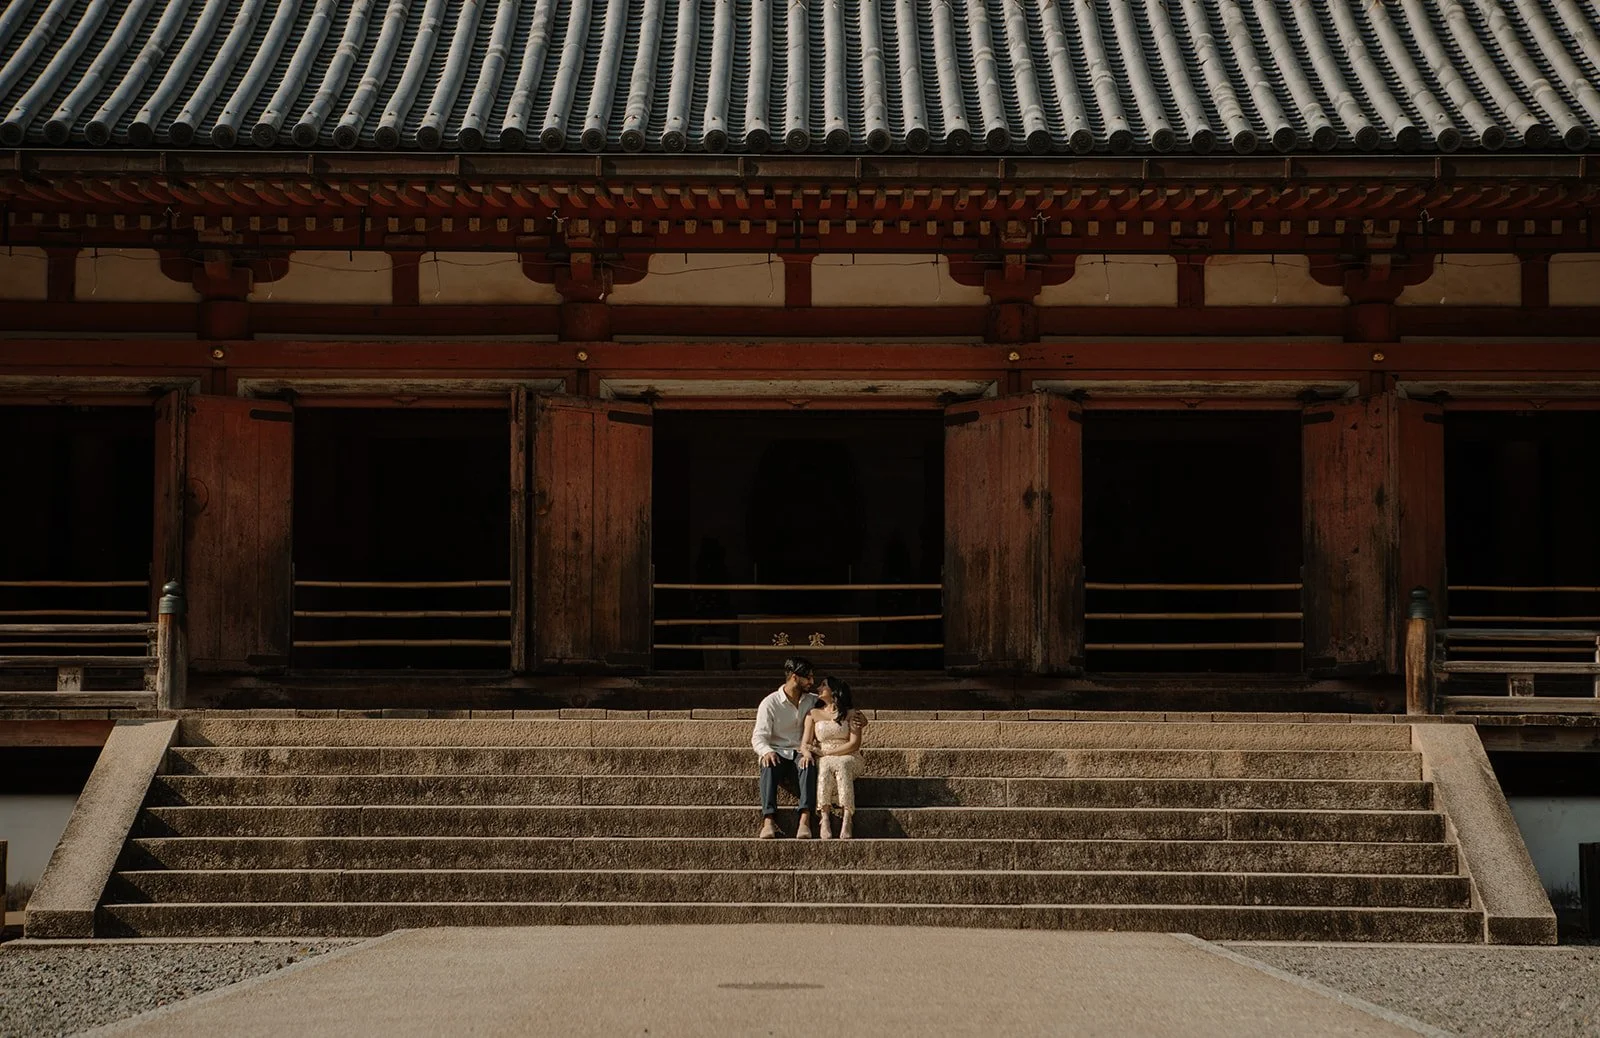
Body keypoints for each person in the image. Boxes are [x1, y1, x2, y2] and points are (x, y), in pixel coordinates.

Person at [751, 657, 867, 839]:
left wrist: (862, 719)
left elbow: (838, 708)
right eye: (809, 678)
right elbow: (758, 737)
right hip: (777, 750)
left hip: (800, 752)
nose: (813, 683)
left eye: (815, 680)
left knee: (808, 764)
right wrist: (766, 751)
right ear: (795, 678)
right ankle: (768, 819)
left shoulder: (812, 700)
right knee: (768, 764)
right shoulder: (770, 703)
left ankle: (805, 819)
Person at [802, 675, 863, 840]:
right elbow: (805, 742)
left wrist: (829, 753)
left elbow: (854, 744)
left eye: (823, 685)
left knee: (841, 764)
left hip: (849, 755)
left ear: (834, 691)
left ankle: (847, 817)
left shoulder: (852, 714)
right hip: (824, 756)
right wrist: (808, 753)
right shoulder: (813, 713)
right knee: (826, 765)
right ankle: (825, 817)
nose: (819, 688)